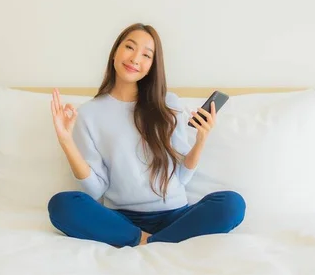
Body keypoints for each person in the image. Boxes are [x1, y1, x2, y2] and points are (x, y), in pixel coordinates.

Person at [47, 23, 245, 247]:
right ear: (115, 53)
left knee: (231, 204)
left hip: (175, 216)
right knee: (62, 205)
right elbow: (96, 190)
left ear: (152, 65)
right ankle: (151, 240)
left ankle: (145, 242)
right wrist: (66, 140)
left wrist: (201, 140)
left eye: (146, 55)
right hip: (121, 219)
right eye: (130, 47)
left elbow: (181, 176)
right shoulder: (89, 113)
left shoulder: (169, 103)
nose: (135, 59)